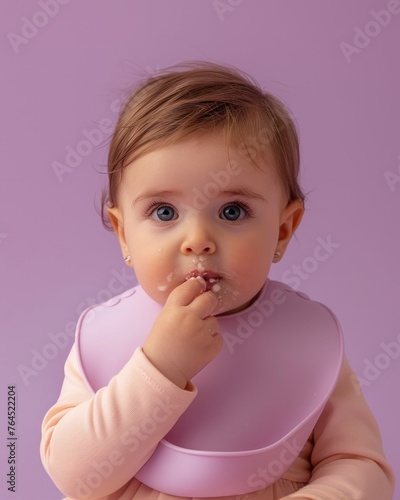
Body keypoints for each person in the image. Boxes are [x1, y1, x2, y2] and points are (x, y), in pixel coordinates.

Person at [40, 62, 394, 500]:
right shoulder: (105, 338)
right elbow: (74, 478)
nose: (198, 241)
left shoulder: (309, 339)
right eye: (164, 212)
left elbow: (363, 469)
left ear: (283, 229)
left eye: (232, 211)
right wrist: (159, 368)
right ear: (123, 232)